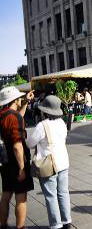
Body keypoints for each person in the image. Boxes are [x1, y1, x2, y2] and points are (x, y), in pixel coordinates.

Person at [26, 95, 72, 229]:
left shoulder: (42, 125)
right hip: (63, 161)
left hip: (49, 164)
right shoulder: (62, 123)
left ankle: (56, 225)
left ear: (45, 111)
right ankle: (66, 221)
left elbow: (30, 143)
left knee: (51, 196)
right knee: (63, 193)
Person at [0, 87, 35, 229]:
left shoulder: (3, 114)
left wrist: (25, 102)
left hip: (4, 161)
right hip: (16, 161)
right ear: (14, 100)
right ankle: (20, 227)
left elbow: (16, 117)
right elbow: (17, 146)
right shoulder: (14, 117)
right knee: (21, 196)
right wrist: (22, 168)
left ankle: (2, 224)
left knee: (6, 194)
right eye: (19, 98)